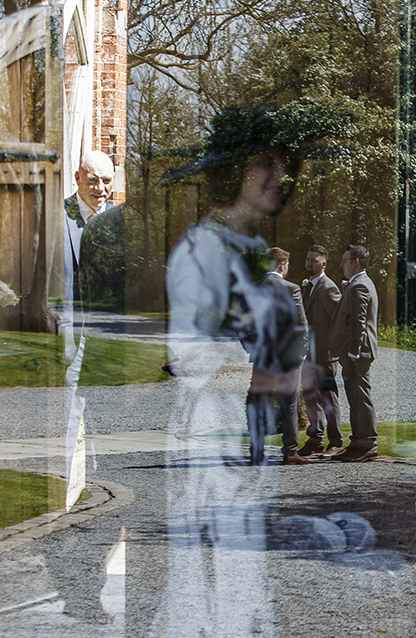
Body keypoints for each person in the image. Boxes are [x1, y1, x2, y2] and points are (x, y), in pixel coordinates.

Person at [156, 102, 349, 635]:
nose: (281, 178)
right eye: (269, 165)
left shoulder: (248, 252)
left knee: (245, 593)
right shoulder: (205, 251)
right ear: (239, 172)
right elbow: (190, 363)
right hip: (207, 446)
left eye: (284, 167)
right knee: (204, 591)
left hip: (238, 461)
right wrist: (282, 380)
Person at [255, 247, 309, 465]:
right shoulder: (291, 289)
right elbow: (301, 324)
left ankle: (256, 452)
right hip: (288, 356)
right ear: (282, 265)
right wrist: (302, 351)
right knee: (289, 403)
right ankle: (289, 452)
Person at [329, 244, 379, 462]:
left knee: (360, 397)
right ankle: (358, 443)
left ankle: (367, 443)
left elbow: (359, 322)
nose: (341, 265)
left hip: (359, 353)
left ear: (355, 262)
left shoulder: (360, 286)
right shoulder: (357, 284)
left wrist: (353, 353)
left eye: (345, 260)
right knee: (355, 397)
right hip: (356, 353)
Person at [299, 244, 343, 457]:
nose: (309, 263)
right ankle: (315, 439)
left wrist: (334, 349)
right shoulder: (308, 286)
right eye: (308, 259)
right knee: (310, 396)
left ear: (324, 264)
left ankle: (336, 442)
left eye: (314, 260)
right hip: (309, 353)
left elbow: (339, 321)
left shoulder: (329, 288)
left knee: (328, 398)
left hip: (325, 355)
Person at [63, 150, 116, 304]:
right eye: (93, 180)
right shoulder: (55, 216)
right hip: (69, 320)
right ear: (78, 178)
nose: (100, 188)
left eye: (106, 180)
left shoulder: (122, 221)